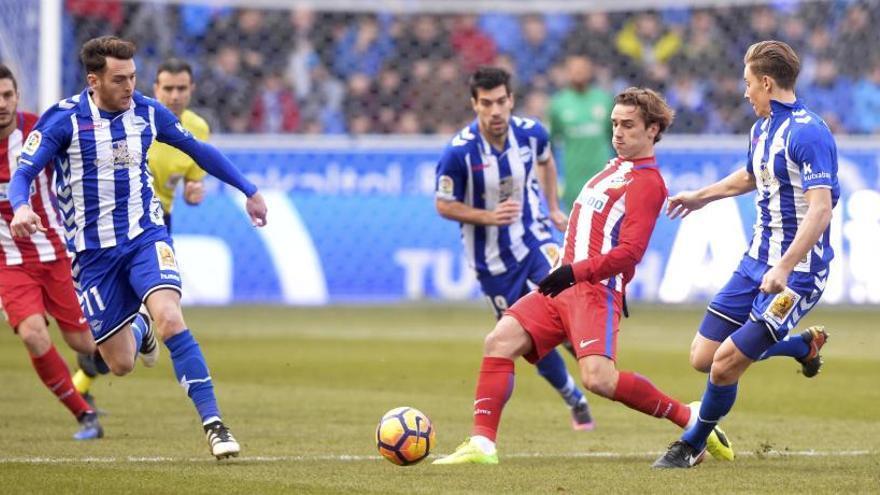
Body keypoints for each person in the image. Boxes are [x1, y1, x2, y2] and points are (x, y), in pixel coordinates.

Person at [433, 87, 734, 466]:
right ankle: (482, 444)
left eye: (628, 126)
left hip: (594, 290)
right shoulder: (613, 168)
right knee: (499, 341)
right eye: (614, 124)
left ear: (653, 130)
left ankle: (690, 418)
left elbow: (629, 254)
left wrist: (574, 271)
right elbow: (590, 227)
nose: (617, 133)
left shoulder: (647, 183)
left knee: (599, 380)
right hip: (563, 284)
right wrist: (565, 257)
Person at [8, 36, 268, 459]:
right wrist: (21, 208)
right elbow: (23, 173)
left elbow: (198, 150)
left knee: (170, 317)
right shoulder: (63, 120)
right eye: (119, 79)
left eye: (132, 77)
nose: (130, 86)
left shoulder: (147, 111)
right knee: (120, 364)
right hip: (93, 256)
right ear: (94, 80)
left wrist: (249, 190)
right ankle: (139, 329)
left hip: (146, 235)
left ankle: (215, 425)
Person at [654, 40, 838, 469]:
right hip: (756, 260)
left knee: (723, 367)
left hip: (797, 273)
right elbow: (753, 174)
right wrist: (702, 196)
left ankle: (691, 444)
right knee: (702, 356)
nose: (745, 92)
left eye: (749, 84)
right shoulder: (762, 127)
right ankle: (801, 349)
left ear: (767, 83)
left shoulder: (809, 132)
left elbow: (822, 207)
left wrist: (786, 266)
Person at [434, 67, 595, 432]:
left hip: (536, 240)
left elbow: (547, 161)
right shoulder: (458, 153)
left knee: (568, 303)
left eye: (501, 102)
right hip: (491, 262)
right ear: (474, 104)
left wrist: (553, 207)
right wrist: (488, 217)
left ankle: (594, 362)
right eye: (486, 103)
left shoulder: (532, 133)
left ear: (512, 100)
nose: (495, 111)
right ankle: (574, 396)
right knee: (525, 338)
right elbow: (444, 204)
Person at [0, 64, 104, 440]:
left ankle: (94, 362)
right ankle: (84, 414)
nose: (2, 104)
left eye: (7, 95)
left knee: (90, 345)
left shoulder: (38, 130)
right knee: (33, 335)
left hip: (57, 253)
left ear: (17, 96)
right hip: (9, 262)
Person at [147, 58, 209, 232]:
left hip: (160, 218)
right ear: (156, 90)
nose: (175, 96)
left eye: (181, 89)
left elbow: (193, 182)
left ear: (192, 89)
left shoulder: (198, 128)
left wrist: (193, 192)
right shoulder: (136, 121)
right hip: (123, 216)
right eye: (168, 89)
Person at [548, 54, 613, 211]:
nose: (579, 73)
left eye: (582, 69)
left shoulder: (604, 100)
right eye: (574, 69)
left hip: (603, 175)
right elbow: (549, 146)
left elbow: (616, 139)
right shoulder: (558, 104)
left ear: (590, 71)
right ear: (567, 72)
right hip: (573, 179)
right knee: (574, 228)